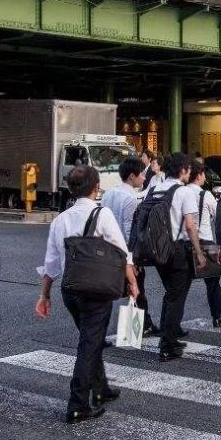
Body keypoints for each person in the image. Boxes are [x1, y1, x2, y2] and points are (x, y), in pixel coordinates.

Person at [35, 166, 139, 423]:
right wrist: (133, 284)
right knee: (89, 344)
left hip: (70, 290)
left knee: (90, 339)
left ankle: (101, 389)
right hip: (97, 289)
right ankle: (78, 403)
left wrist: (44, 296)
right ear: (96, 187)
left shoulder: (61, 219)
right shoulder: (101, 214)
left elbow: (51, 264)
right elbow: (122, 252)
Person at [148, 153, 205, 362]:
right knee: (177, 296)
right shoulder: (183, 192)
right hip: (177, 249)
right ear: (182, 170)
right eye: (188, 168)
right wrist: (199, 252)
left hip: (157, 249)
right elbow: (190, 225)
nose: (190, 172)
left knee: (171, 293)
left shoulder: (154, 189)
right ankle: (167, 345)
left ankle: (168, 333)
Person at [100, 157, 158, 335]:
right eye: (142, 174)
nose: (144, 177)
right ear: (132, 176)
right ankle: (140, 327)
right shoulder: (131, 199)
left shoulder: (109, 193)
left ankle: (142, 323)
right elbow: (129, 232)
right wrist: (132, 261)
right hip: (124, 253)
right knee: (137, 289)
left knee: (108, 293)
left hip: (107, 250)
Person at [186, 161, 221, 327]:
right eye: (204, 174)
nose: (205, 177)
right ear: (199, 175)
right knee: (212, 282)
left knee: (180, 286)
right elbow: (218, 217)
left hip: (184, 241)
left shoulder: (180, 192)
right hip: (204, 239)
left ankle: (170, 325)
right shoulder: (205, 195)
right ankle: (218, 315)